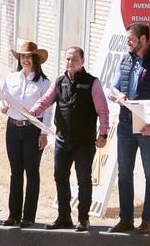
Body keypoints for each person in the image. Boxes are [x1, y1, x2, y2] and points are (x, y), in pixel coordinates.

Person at [30, 47, 111, 232]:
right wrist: (33, 111)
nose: (70, 62)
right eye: (67, 59)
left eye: (74, 59)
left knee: (84, 180)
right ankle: (64, 217)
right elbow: (46, 100)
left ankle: (83, 219)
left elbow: (103, 111)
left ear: (82, 61)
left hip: (84, 142)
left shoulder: (93, 83)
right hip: (62, 141)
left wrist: (103, 134)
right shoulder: (59, 81)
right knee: (60, 177)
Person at [108, 23, 150, 234]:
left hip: (148, 128)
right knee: (124, 174)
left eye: (131, 39)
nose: (127, 42)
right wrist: (117, 95)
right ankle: (125, 219)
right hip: (125, 126)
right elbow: (113, 87)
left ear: (143, 39)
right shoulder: (125, 60)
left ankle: (148, 221)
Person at [0, 40, 54, 227]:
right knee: (15, 172)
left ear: (35, 59)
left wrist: (44, 133)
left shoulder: (44, 83)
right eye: (23, 56)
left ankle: (28, 216)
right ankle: (13, 215)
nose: (25, 60)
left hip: (33, 130)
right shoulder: (11, 78)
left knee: (31, 171)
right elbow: (3, 97)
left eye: (29, 57)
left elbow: (48, 110)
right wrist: (3, 106)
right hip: (13, 128)